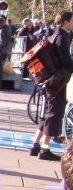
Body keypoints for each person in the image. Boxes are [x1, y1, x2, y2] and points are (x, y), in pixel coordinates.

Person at [29, 10, 73, 161]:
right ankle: (45, 149)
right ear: (66, 21)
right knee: (54, 114)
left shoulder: (54, 35)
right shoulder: (62, 37)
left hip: (50, 80)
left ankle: (36, 145)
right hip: (57, 81)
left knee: (47, 113)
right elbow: (65, 59)